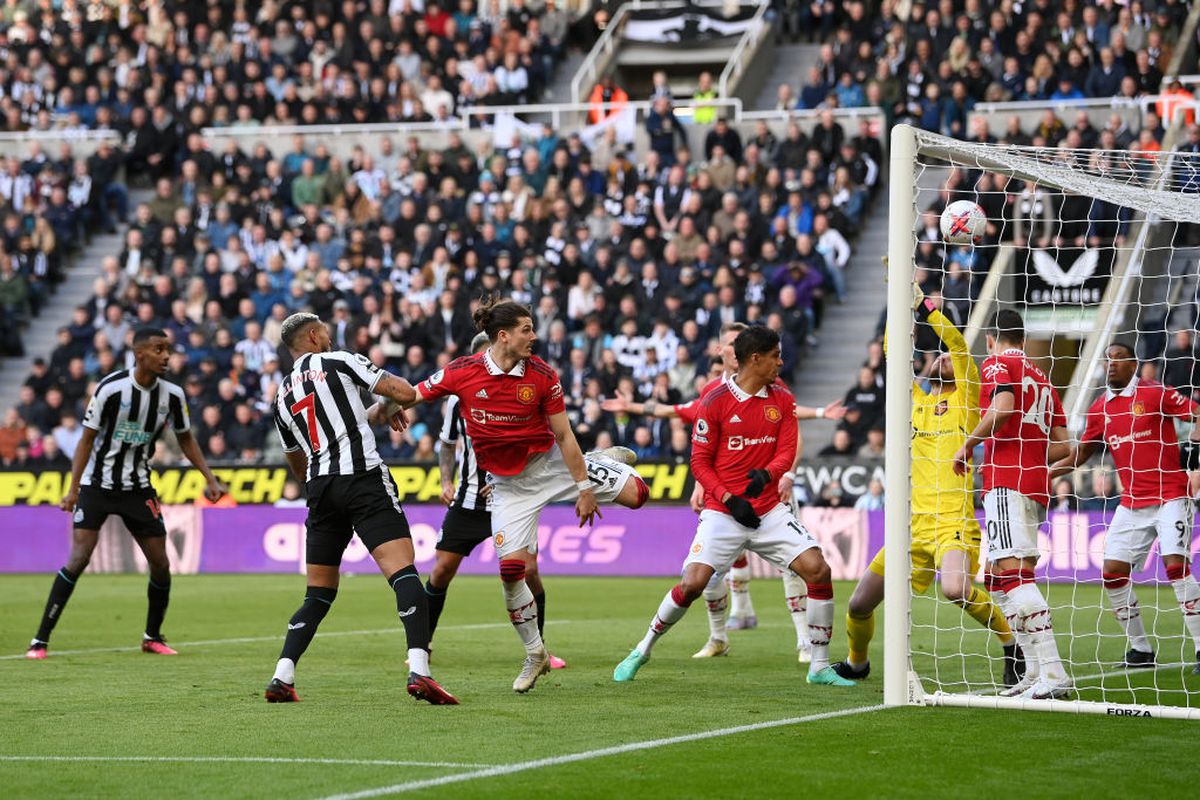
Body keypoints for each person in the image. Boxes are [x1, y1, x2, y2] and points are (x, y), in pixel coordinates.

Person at [375, 296, 649, 693]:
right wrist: (382, 408)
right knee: (510, 573)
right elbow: (411, 394)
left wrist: (583, 488)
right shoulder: (462, 372)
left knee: (639, 495)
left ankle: (596, 462)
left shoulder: (542, 375)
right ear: (503, 336)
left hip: (550, 464)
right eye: (526, 330)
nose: (534, 337)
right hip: (508, 486)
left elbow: (563, 434)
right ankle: (535, 654)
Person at [612, 326, 855, 687]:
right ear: (755, 358)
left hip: (768, 510)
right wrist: (728, 499)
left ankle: (818, 665)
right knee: (692, 584)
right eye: (775, 356)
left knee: (818, 570)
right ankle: (642, 649)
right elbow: (700, 462)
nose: (781, 362)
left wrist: (767, 475)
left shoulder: (782, 399)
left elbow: (787, 450)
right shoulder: (714, 401)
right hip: (724, 512)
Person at [263, 312, 457, 705]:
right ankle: (420, 670)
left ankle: (282, 675)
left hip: (320, 488)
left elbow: (297, 461)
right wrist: (391, 401)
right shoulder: (340, 361)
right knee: (403, 573)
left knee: (318, 593)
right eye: (326, 332)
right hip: (363, 478)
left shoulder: (281, 394)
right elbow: (405, 392)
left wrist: (380, 410)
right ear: (314, 336)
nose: (330, 338)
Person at [832, 286, 1020, 686]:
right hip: (911, 526)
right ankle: (856, 664)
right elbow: (893, 354)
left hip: (952, 522)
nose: (945, 357)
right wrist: (897, 303)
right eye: (939, 356)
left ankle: (1011, 643)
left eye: (948, 357)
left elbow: (956, 343)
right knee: (859, 603)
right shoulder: (914, 401)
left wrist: (925, 307)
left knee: (954, 589)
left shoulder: (967, 397)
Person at [26, 328, 227, 660]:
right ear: (140, 353)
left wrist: (210, 478)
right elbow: (86, 440)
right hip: (97, 485)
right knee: (79, 558)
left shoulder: (172, 395)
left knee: (161, 564)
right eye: (159, 349)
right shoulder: (111, 388)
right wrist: (73, 490)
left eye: (168, 350)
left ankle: (152, 637)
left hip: (138, 488)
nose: (166, 356)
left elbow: (186, 439)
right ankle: (40, 640)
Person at [425, 331, 574, 669]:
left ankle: (539, 650)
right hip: (469, 501)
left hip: (514, 497)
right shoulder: (459, 398)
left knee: (530, 571)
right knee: (442, 570)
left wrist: (508, 480)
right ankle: (422, 646)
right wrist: (446, 480)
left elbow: (544, 440)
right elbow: (447, 443)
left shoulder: (525, 391)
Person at [1050, 342, 1200, 674]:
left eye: (1119, 358)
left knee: (1175, 567)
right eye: (1108, 359)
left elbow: (1197, 413)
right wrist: (1045, 472)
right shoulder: (1099, 408)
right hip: (1131, 503)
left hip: (1171, 496)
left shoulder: (1155, 393)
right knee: (1112, 573)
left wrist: (1195, 458)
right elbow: (1081, 453)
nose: (1111, 364)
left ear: (1134, 364)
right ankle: (1140, 649)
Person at [953, 310, 1071, 699]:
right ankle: (1033, 672)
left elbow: (1002, 409)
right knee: (998, 578)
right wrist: (1032, 455)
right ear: (1022, 338)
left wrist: (968, 444)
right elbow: (1064, 447)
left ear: (992, 338)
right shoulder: (1043, 378)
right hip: (1035, 485)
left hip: (1007, 481)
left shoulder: (997, 364)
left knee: (1015, 576)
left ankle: (1053, 673)